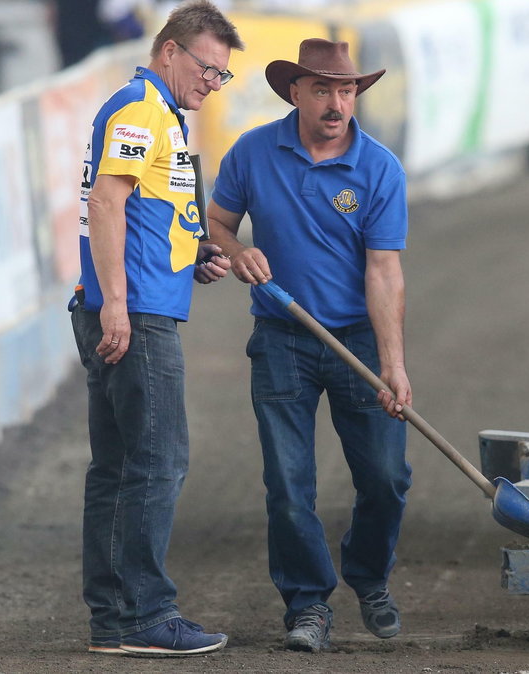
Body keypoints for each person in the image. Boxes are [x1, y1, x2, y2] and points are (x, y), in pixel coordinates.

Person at [205, 38, 412, 653]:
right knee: (288, 482)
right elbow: (215, 224)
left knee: (385, 477)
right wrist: (237, 252)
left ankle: (369, 575)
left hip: (358, 341)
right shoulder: (252, 153)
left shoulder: (379, 170)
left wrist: (394, 367)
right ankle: (308, 604)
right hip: (281, 338)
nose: (335, 103)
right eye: (321, 89)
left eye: (345, 90)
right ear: (294, 92)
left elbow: (384, 271)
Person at [68, 0, 241, 657]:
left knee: (118, 465)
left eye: (222, 76)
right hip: (133, 315)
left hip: (129, 304)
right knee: (157, 460)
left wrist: (189, 253)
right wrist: (117, 302)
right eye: (207, 68)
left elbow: (139, 207)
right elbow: (107, 198)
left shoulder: (156, 113)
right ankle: (141, 614)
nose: (212, 82)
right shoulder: (141, 109)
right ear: (168, 51)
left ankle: (116, 617)